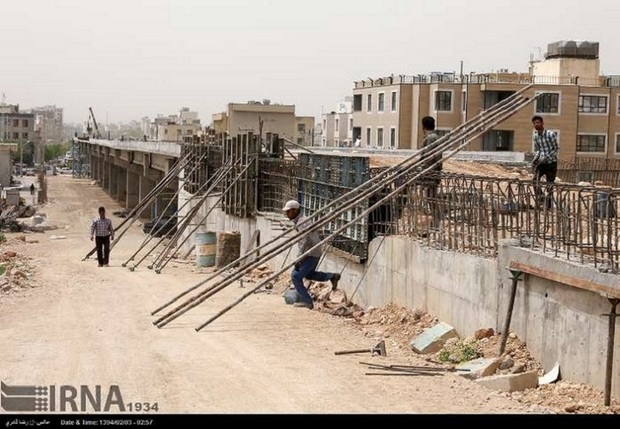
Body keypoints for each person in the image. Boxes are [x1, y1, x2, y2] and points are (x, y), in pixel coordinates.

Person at [282, 200, 341, 310]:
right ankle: (332, 276)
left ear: (295, 210)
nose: (287, 214)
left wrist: (299, 259)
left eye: (289, 212)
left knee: (295, 276)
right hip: (312, 252)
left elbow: (304, 241)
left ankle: (307, 301)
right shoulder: (300, 221)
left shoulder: (301, 222)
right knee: (309, 275)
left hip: (311, 253)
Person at [418, 116, 443, 229]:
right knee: (432, 198)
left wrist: (422, 172)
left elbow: (427, 158)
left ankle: (436, 223)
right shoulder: (436, 137)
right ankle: (435, 222)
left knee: (431, 198)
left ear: (423, 126)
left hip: (430, 173)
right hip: (435, 171)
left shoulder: (430, 139)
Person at [531, 115, 559, 208]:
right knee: (535, 180)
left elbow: (556, 149)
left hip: (551, 163)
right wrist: (535, 159)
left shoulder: (550, 134)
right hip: (541, 163)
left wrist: (546, 157)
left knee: (549, 184)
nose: (536, 124)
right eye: (534, 123)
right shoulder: (536, 136)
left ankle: (549, 204)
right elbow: (538, 150)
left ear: (542, 123)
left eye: (538, 122)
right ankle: (541, 199)